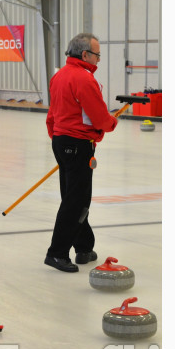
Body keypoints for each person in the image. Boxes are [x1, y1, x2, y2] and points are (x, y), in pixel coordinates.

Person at [44, 33, 118, 272]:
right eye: (97, 55)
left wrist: (58, 137)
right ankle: (57, 253)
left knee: (73, 196)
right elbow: (98, 116)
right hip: (78, 144)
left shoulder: (59, 76)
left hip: (61, 140)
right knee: (77, 202)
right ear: (85, 54)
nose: (98, 60)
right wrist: (110, 124)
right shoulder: (85, 79)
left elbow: (52, 114)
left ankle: (84, 246)